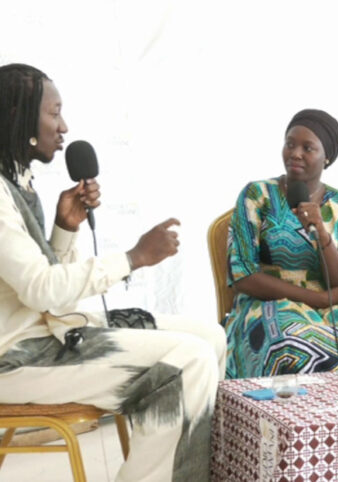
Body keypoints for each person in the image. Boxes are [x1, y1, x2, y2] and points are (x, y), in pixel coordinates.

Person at [0, 64, 226, 482]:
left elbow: (49, 289)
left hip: (46, 331)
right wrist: (134, 258)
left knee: (209, 337)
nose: (64, 127)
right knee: (187, 363)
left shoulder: (16, 181)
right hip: (14, 358)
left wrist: (64, 229)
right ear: (19, 116)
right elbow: (42, 290)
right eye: (54, 113)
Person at [224, 108, 338, 378]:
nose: (295, 153)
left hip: (335, 307)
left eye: (307, 148)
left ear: (327, 157)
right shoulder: (257, 194)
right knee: (293, 348)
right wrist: (318, 298)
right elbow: (243, 275)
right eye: (290, 144)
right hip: (267, 303)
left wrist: (322, 235)